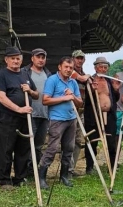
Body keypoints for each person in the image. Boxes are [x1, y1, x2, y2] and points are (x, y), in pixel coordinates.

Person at [0, 46, 39, 190]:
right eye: (12, 58)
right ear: (6, 60)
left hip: (25, 118)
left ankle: (20, 178)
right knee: (6, 148)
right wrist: (19, 109)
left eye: (18, 58)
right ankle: (4, 181)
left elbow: (37, 95)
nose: (15, 61)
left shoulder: (25, 74)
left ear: (21, 59)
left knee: (23, 149)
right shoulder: (1, 75)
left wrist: (29, 90)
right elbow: (0, 97)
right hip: (8, 118)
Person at [38, 57, 82, 189]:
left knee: (69, 148)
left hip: (71, 119)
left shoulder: (73, 82)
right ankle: (42, 178)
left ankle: (64, 176)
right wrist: (65, 97)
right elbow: (45, 100)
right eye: (66, 67)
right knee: (52, 148)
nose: (68, 70)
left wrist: (72, 96)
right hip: (57, 120)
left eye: (71, 68)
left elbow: (80, 103)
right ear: (60, 67)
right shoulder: (52, 80)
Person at [84, 57, 119, 174]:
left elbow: (115, 99)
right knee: (92, 141)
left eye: (105, 67)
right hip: (94, 116)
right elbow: (87, 100)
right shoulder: (91, 81)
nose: (103, 69)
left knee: (111, 141)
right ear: (95, 67)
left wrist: (116, 90)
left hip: (109, 116)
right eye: (100, 67)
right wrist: (92, 89)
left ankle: (112, 166)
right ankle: (89, 167)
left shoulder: (109, 81)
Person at [21, 48, 52, 177]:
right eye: (38, 57)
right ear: (32, 58)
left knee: (39, 145)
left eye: (43, 57)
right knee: (28, 144)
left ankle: (33, 171)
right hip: (30, 113)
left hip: (45, 114)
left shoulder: (48, 74)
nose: (40, 60)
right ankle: (23, 173)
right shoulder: (24, 72)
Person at [68, 50, 90, 177]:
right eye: (77, 58)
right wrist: (87, 78)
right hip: (70, 109)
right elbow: (81, 78)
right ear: (73, 59)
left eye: (82, 58)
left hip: (81, 110)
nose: (79, 61)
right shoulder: (71, 71)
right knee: (69, 139)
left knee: (77, 140)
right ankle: (66, 169)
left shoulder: (83, 73)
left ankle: (72, 168)